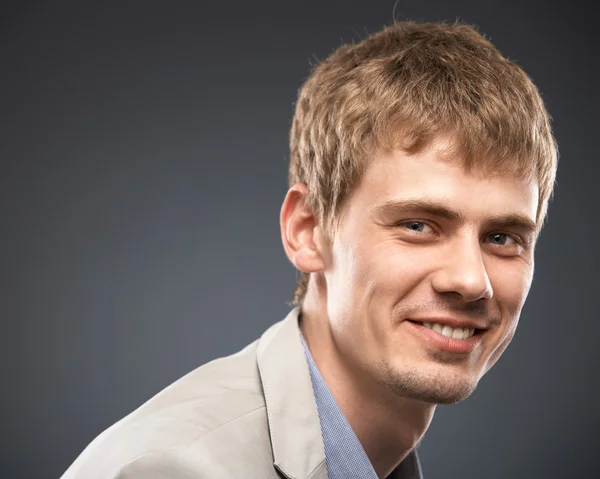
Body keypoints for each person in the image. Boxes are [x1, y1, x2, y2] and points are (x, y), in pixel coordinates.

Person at [61, 21, 558, 479]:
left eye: (502, 238)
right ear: (307, 230)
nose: (472, 280)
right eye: (418, 225)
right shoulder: (170, 471)